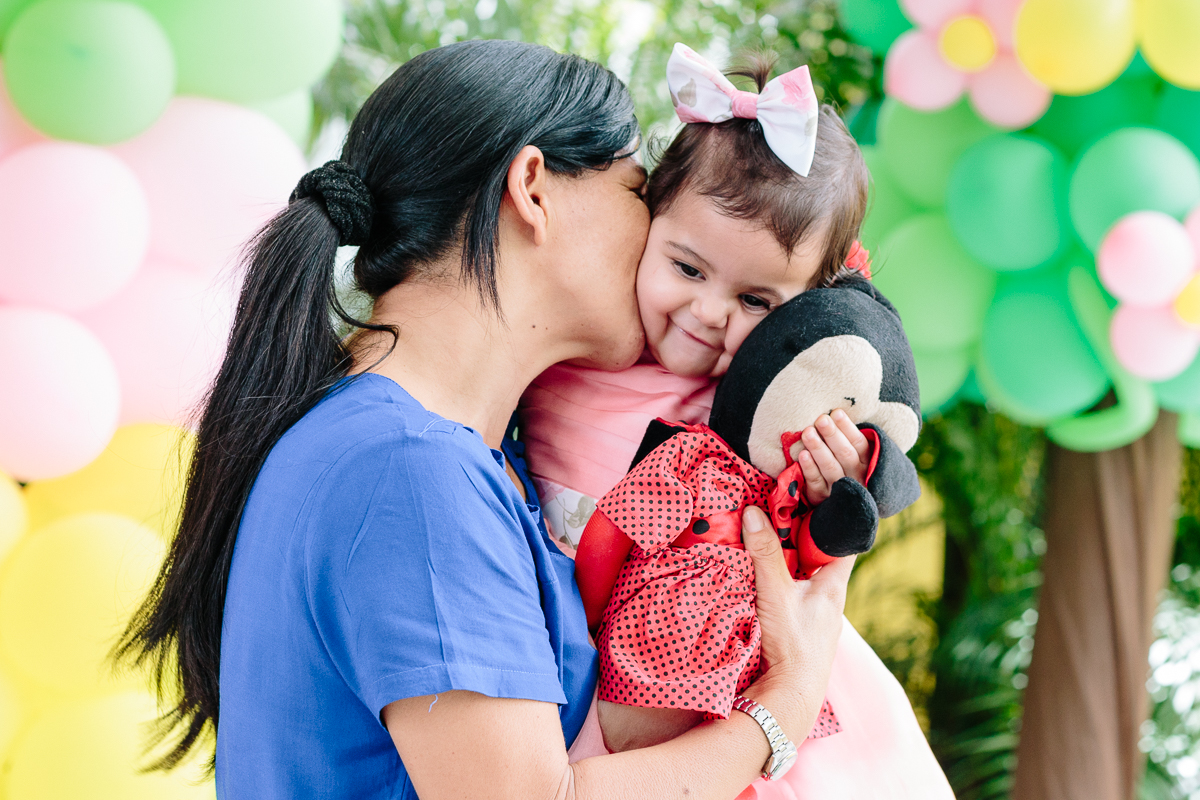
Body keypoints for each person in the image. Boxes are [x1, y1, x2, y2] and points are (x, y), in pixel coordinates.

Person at [117, 39, 853, 800]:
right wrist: (785, 705)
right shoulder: (407, 468)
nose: (658, 243)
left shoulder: (441, 450)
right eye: (639, 194)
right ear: (533, 187)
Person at [520, 44, 955, 797]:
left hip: (729, 669)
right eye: (686, 269)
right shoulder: (575, 338)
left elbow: (847, 492)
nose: (709, 314)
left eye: (758, 302)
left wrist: (838, 474)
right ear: (646, 221)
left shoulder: (760, 407)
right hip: (583, 655)